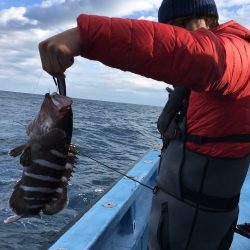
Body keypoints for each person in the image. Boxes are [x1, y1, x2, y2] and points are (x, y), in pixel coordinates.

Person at [39, 0, 250, 249]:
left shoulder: (236, 53)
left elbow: (192, 53)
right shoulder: (211, 71)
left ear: (195, 20)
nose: (173, 36)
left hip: (195, 232)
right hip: (175, 221)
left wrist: (86, 36)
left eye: (174, 29)